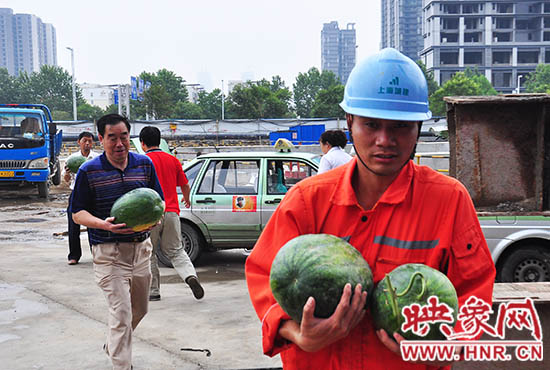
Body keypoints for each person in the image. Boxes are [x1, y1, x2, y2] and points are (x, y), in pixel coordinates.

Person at [245, 48, 496, 369]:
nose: (384, 140)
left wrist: (447, 347)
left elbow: (474, 290)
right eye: (371, 124)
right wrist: (297, 333)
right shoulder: (308, 199)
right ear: (350, 123)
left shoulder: (448, 199)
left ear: (419, 128)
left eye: (400, 127)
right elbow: (264, 275)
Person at [71, 114, 164, 370]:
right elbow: (77, 212)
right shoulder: (88, 171)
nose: (119, 143)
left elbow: (158, 201)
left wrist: (154, 219)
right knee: (121, 315)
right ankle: (122, 365)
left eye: (124, 136)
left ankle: (114, 345)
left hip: (141, 250)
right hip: (109, 253)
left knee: (140, 310)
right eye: (112, 138)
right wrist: (104, 224)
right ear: (101, 139)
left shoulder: (144, 165)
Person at [139, 126, 204, 302]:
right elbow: (185, 184)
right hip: (172, 212)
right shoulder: (172, 160)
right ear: (160, 141)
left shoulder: (143, 161)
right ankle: (190, 276)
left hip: (151, 215)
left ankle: (153, 291)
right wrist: (187, 199)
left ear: (142, 143)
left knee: (149, 252)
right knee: (176, 250)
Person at [62, 131, 100, 265]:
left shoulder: (97, 158)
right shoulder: (71, 159)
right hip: (76, 194)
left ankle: (96, 254)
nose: (87, 144)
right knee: (73, 226)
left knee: (94, 226)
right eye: (85, 141)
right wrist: (67, 173)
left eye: (90, 141)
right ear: (79, 142)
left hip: (92, 194)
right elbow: (66, 180)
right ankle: (74, 256)